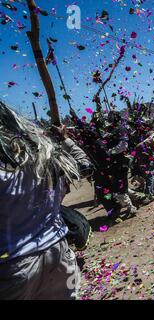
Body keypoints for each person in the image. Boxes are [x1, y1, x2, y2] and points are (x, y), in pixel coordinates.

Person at [0, 102, 93, 299]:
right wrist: (65, 139)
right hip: (60, 254)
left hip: (14, 267)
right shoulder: (47, 159)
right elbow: (85, 166)